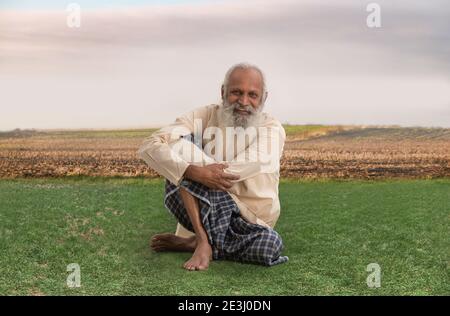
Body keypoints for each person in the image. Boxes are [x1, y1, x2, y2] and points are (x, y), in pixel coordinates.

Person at [138, 62, 288, 271]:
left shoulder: (272, 128)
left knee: (270, 247)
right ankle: (201, 238)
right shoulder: (205, 115)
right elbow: (149, 145)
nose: (244, 102)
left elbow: (233, 173)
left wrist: (193, 168)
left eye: (252, 95)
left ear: (263, 98)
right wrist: (192, 171)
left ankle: (196, 243)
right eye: (236, 92)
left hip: (250, 220)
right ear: (223, 92)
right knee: (181, 150)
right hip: (204, 208)